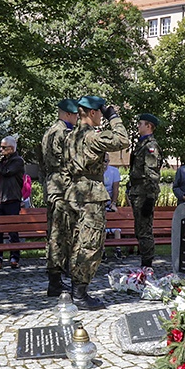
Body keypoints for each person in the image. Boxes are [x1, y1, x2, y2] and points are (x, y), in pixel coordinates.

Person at [63, 95, 129, 309]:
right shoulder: (91, 136)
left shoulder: (71, 135)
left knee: (76, 242)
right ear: (92, 113)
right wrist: (115, 117)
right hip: (90, 195)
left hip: (74, 193)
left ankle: (76, 290)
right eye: (100, 112)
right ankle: (80, 294)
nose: (102, 116)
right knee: (90, 244)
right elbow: (122, 140)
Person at [42, 98, 78, 296]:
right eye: (74, 115)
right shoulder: (63, 133)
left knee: (55, 233)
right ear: (67, 114)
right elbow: (69, 160)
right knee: (59, 234)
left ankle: (55, 279)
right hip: (62, 186)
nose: (75, 119)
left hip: (54, 184)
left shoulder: (50, 131)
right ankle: (55, 281)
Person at [0, 135, 25, 269]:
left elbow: (7, 172)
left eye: (3, 147)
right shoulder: (0, 162)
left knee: (13, 231)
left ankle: (14, 258)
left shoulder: (18, 161)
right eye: (0, 147)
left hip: (11, 200)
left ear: (12, 148)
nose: (0, 150)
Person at [129, 113, 163, 267]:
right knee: (140, 229)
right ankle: (145, 262)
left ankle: (147, 265)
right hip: (138, 191)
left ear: (149, 126)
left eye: (140, 123)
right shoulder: (141, 144)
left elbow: (152, 173)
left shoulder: (150, 146)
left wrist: (150, 197)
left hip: (144, 192)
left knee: (144, 231)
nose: (138, 126)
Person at [102, 153, 123, 260]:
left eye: (106, 161)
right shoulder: (95, 171)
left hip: (110, 202)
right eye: (102, 161)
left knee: (116, 227)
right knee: (103, 228)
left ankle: (118, 249)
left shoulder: (114, 171)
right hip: (99, 203)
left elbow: (115, 189)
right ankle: (103, 250)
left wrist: (113, 203)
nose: (104, 163)